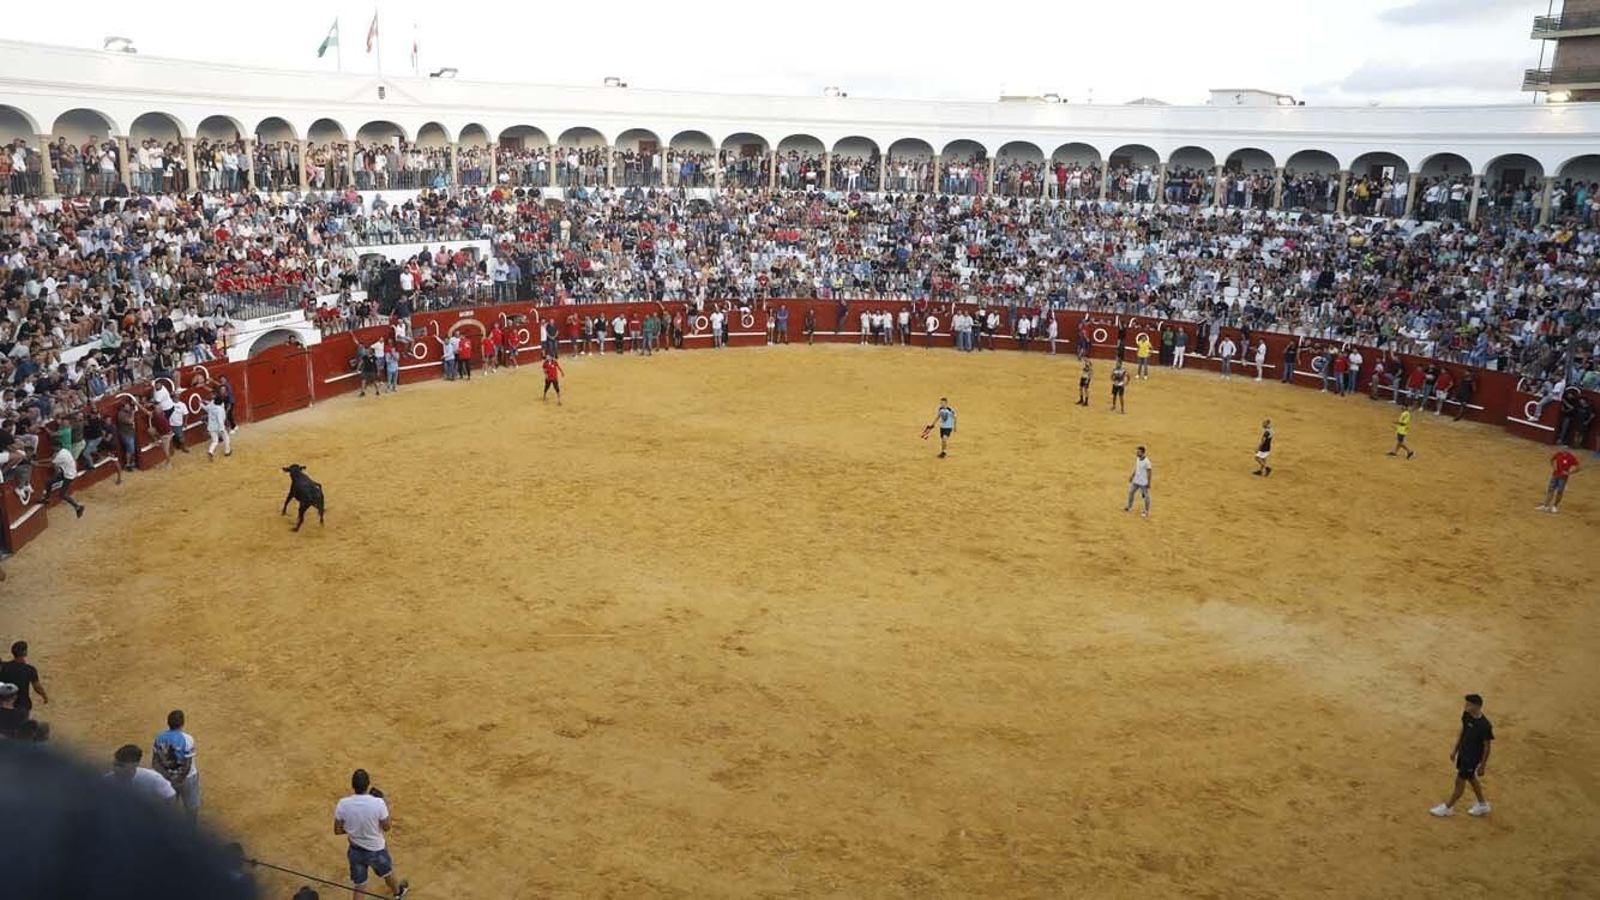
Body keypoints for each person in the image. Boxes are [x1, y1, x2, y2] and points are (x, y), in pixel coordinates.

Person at [334, 768, 410, 899]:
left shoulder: (343, 804)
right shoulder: (378, 803)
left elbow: (337, 830)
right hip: (376, 850)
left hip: (355, 850)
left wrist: (353, 828)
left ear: (352, 785)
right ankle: (398, 894)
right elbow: (387, 827)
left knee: (360, 885)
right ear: (368, 784)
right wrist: (384, 804)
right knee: (388, 874)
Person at [1430, 694, 1493, 818]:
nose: (1466, 706)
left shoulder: (1485, 726)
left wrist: (1482, 765)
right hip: (1463, 753)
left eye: (1469, 704)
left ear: (1477, 706)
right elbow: (1463, 731)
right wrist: (1455, 750)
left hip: (1472, 759)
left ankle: (1448, 807)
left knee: (1459, 781)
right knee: (1471, 778)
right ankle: (1482, 804)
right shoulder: (1467, 715)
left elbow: (1487, 747)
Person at [152, 709, 200, 825]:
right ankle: (191, 833)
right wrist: (178, 780)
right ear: (183, 723)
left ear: (168, 723)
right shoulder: (188, 739)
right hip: (187, 778)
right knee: (192, 808)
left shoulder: (159, 738)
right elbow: (187, 765)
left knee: (168, 809)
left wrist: (168, 777)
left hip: (166, 778)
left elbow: (155, 763)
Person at [107, 744, 178, 804]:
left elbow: (171, 797)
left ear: (135, 764)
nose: (115, 769)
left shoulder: (153, 778)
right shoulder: (107, 780)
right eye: (114, 765)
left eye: (121, 766)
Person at [36, 445, 85, 518]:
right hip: (67, 472)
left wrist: (37, 464)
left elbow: (50, 464)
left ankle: (78, 506)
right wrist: (37, 462)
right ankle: (47, 499)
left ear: (56, 448)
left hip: (69, 476)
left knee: (62, 494)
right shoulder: (65, 451)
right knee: (48, 482)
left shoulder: (60, 456)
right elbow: (51, 459)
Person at [0, 641, 48, 713]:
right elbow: (37, 687)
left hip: (5, 704)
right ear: (25, 652)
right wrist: (44, 696)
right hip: (22, 705)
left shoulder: (3, 666)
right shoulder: (30, 669)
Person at [1537, 447, 1580, 513]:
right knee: (1551, 489)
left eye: (1565, 449)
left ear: (1568, 450)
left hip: (1563, 477)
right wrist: (1554, 467)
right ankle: (1546, 505)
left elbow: (1578, 467)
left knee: (1559, 491)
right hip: (1555, 475)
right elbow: (1551, 460)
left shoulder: (1571, 457)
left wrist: (1569, 473)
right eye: (1563, 448)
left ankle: (1555, 506)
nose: (1563, 450)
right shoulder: (1558, 454)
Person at [1123, 445, 1152, 517]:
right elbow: (1137, 468)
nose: (1137, 453)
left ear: (1142, 453)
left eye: (1138, 452)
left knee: (1146, 497)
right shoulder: (1138, 459)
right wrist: (1132, 476)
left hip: (1143, 483)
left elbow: (1149, 473)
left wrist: (1148, 483)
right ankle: (1129, 507)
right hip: (1136, 481)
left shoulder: (1147, 462)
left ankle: (1146, 511)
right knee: (1131, 492)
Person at [204, 394, 231, 460]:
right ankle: (227, 451)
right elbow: (220, 420)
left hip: (211, 427)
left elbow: (206, 408)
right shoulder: (220, 409)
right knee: (226, 438)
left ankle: (210, 451)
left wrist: (201, 404)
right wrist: (222, 429)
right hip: (219, 427)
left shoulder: (211, 406)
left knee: (215, 441)